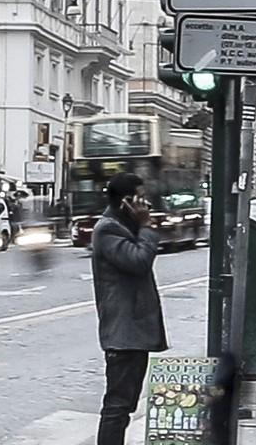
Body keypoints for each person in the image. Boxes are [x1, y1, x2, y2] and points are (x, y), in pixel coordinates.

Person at [91, 175, 168, 445]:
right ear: (126, 201)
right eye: (141, 197)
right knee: (117, 406)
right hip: (123, 334)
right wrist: (146, 227)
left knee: (124, 406)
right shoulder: (108, 230)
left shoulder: (123, 226)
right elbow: (138, 261)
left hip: (133, 333)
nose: (146, 203)